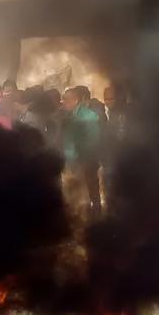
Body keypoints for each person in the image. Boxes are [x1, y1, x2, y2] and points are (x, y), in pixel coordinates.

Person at [62, 86, 104, 219]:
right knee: (81, 193)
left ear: (75, 100)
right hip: (77, 161)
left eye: (66, 100)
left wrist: (79, 158)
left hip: (86, 161)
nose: (63, 103)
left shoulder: (89, 117)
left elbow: (93, 141)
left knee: (89, 191)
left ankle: (95, 220)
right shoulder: (73, 116)